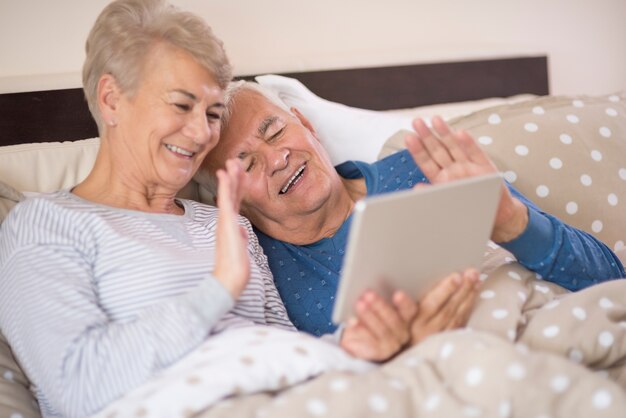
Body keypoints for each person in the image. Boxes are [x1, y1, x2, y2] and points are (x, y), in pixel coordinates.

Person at [0, 1, 423, 417]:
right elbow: (78, 388)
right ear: (111, 99)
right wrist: (218, 290)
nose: (202, 133)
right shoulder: (44, 224)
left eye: (213, 112)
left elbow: (285, 349)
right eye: (182, 105)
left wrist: (355, 345)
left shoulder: (221, 221)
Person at [198, 81, 626, 337]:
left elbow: (610, 278)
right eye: (247, 164)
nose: (277, 159)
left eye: (274, 132)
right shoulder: (255, 272)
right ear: (230, 196)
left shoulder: (422, 167)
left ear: (306, 125)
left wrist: (516, 223)